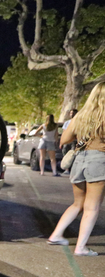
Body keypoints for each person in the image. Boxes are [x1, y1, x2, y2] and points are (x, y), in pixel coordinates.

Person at [47, 82, 105, 256]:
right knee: (92, 207)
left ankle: (56, 235)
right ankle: (81, 247)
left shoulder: (80, 117)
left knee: (78, 203)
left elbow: (64, 140)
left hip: (79, 160)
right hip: (99, 161)